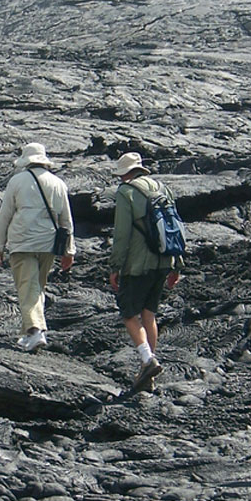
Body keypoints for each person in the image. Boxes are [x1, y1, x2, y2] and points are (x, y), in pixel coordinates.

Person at [108, 152, 182, 392]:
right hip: (164, 261)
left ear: (125, 173)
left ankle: (148, 360)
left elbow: (121, 234)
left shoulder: (126, 192)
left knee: (129, 315)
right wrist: (177, 263)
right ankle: (147, 374)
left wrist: (115, 267)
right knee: (149, 314)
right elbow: (174, 226)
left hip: (138, 264)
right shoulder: (163, 189)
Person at [0, 142, 75, 350]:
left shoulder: (17, 181)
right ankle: (28, 333)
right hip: (48, 243)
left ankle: (37, 331)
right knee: (37, 288)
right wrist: (69, 250)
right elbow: (66, 220)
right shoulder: (58, 183)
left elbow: (5, 215)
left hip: (22, 241)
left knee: (27, 287)